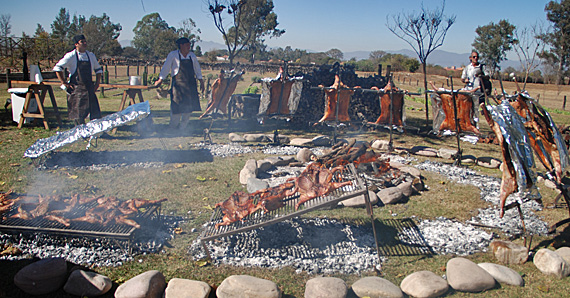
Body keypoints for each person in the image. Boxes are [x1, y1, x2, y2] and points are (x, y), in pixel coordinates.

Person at [155, 37, 204, 129]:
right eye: (187, 45)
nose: (189, 47)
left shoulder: (192, 56)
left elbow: (197, 69)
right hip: (178, 85)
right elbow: (166, 68)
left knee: (188, 108)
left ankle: (183, 127)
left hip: (190, 85)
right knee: (176, 107)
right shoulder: (173, 55)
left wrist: (201, 81)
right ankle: (173, 126)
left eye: (189, 45)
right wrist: (160, 79)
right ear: (181, 46)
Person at [54, 34, 103, 126]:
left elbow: (98, 70)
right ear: (76, 44)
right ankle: (80, 133)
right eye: (82, 42)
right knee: (79, 114)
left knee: (95, 112)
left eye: (85, 41)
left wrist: (97, 83)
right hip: (77, 91)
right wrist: (64, 82)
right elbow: (58, 68)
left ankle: (97, 132)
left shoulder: (91, 55)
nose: (85, 43)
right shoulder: (71, 56)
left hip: (89, 88)